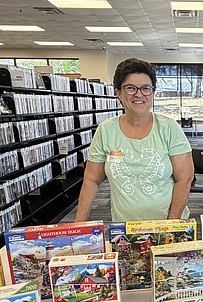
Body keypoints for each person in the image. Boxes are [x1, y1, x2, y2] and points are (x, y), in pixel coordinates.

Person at [75, 58, 194, 222]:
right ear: (118, 92)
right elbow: (91, 180)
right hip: (124, 226)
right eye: (130, 88)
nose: (139, 94)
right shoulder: (106, 131)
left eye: (146, 88)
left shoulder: (169, 128)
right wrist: (79, 223)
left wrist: (171, 224)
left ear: (153, 92)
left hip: (168, 223)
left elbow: (184, 179)